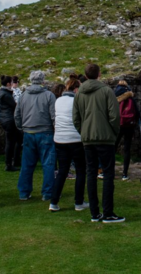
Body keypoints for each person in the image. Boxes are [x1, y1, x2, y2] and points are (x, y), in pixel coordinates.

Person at [73, 63, 124, 223]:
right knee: (108, 174)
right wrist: (113, 133)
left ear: (86, 75)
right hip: (105, 138)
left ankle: (95, 213)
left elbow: (76, 118)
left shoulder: (79, 94)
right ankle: (108, 212)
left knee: (91, 173)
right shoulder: (106, 91)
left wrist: (84, 131)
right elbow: (115, 116)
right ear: (99, 74)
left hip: (88, 139)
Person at [14, 70, 57, 201]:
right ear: (43, 81)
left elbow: (17, 115)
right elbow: (54, 116)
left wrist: (22, 127)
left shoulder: (23, 96)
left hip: (28, 133)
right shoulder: (49, 95)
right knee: (48, 164)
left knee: (27, 164)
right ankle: (47, 193)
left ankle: (24, 192)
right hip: (45, 132)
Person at [50, 77, 89, 212]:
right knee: (80, 170)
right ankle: (79, 202)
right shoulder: (78, 100)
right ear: (76, 89)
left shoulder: (58, 100)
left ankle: (53, 202)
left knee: (62, 170)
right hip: (75, 139)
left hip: (60, 139)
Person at [114, 80, 139, 181]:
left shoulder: (115, 96)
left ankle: (108, 170)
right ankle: (124, 173)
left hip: (118, 125)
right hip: (129, 126)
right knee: (127, 149)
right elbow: (137, 112)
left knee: (113, 148)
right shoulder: (131, 98)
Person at [0, 75, 22, 172]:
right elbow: (14, 106)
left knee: (17, 139)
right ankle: (9, 163)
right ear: (8, 84)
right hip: (10, 119)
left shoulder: (0, 93)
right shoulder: (6, 94)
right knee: (11, 142)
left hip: (5, 119)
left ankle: (15, 161)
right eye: (11, 82)